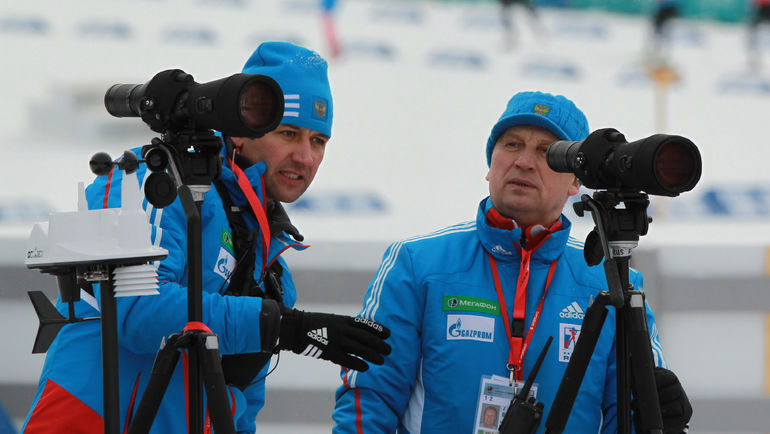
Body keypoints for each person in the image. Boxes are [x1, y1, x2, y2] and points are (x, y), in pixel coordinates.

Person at [22, 41, 391, 433]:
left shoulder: (274, 273)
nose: (305, 156)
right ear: (242, 131)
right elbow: (136, 311)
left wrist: (281, 325)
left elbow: (238, 406)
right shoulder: (155, 181)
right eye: (288, 133)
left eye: (318, 141)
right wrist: (284, 327)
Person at [332, 91, 692, 433]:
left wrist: (655, 418)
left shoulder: (610, 283)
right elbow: (369, 399)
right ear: (490, 165)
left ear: (575, 181)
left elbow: (624, 417)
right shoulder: (417, 264)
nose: (523, 161)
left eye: (547, 151)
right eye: (511, 144)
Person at [748, 0, 770, 70]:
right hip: (759, 7)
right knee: (754, 33)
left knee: (755, 32)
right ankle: (754, 57)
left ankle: (755, 57)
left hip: (764, 7)